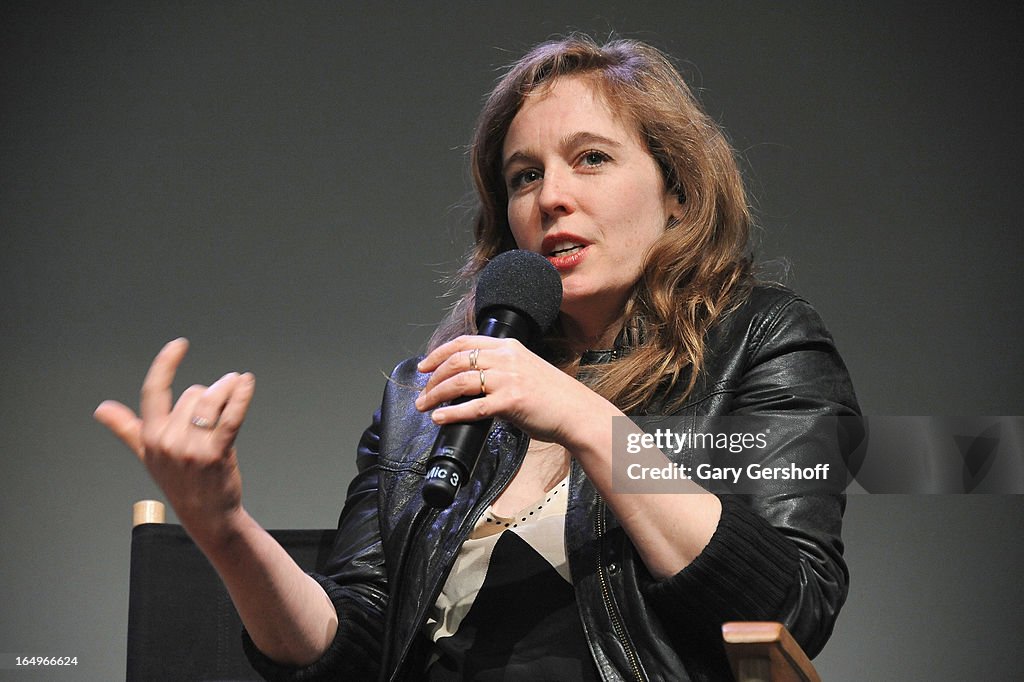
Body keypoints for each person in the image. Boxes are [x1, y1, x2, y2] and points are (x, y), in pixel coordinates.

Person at [96, 35, 859, 681]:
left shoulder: (763, 341)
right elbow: (351, 647)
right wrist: (223, 526)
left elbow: (790, 603)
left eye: (590, 158)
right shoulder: (426, 396)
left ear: (679, 194)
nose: (551, 196)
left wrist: (583, 419)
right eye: (525, 175)